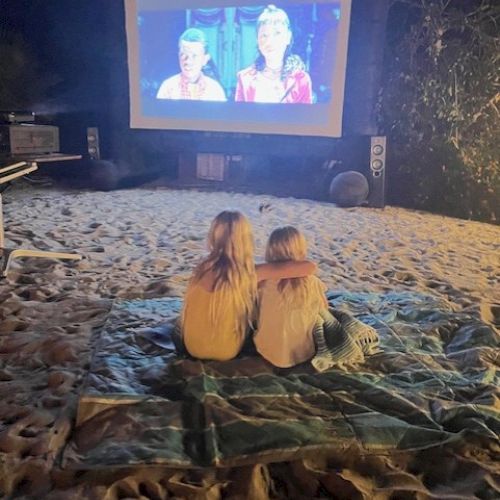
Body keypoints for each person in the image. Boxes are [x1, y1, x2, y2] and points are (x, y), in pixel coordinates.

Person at [181, 211, 316, 361]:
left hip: (191, 347)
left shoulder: (201, 268)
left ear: (213, 236)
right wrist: (275, 267)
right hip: (225, 351)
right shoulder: (249, 273)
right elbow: (309, 267)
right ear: (245, 239)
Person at [254, 226, 338, 368]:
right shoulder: (312, 282)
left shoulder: (263, 284)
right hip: (303, 353)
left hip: (267, 351)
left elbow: (255, 314)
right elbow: (324, 309)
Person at [235, 5, 313, 104]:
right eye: (264, 35)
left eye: (277, 33)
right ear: (257, 40)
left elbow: (305, 118)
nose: (269, 41)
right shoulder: (244, 79)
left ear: (288, 37)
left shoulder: (301, 80)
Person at [156, 28, 226, 101]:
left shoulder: (215, 91)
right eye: (183, 55)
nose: (188, 61)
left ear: (205, 59)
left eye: (194, 56)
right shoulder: (168, 88)